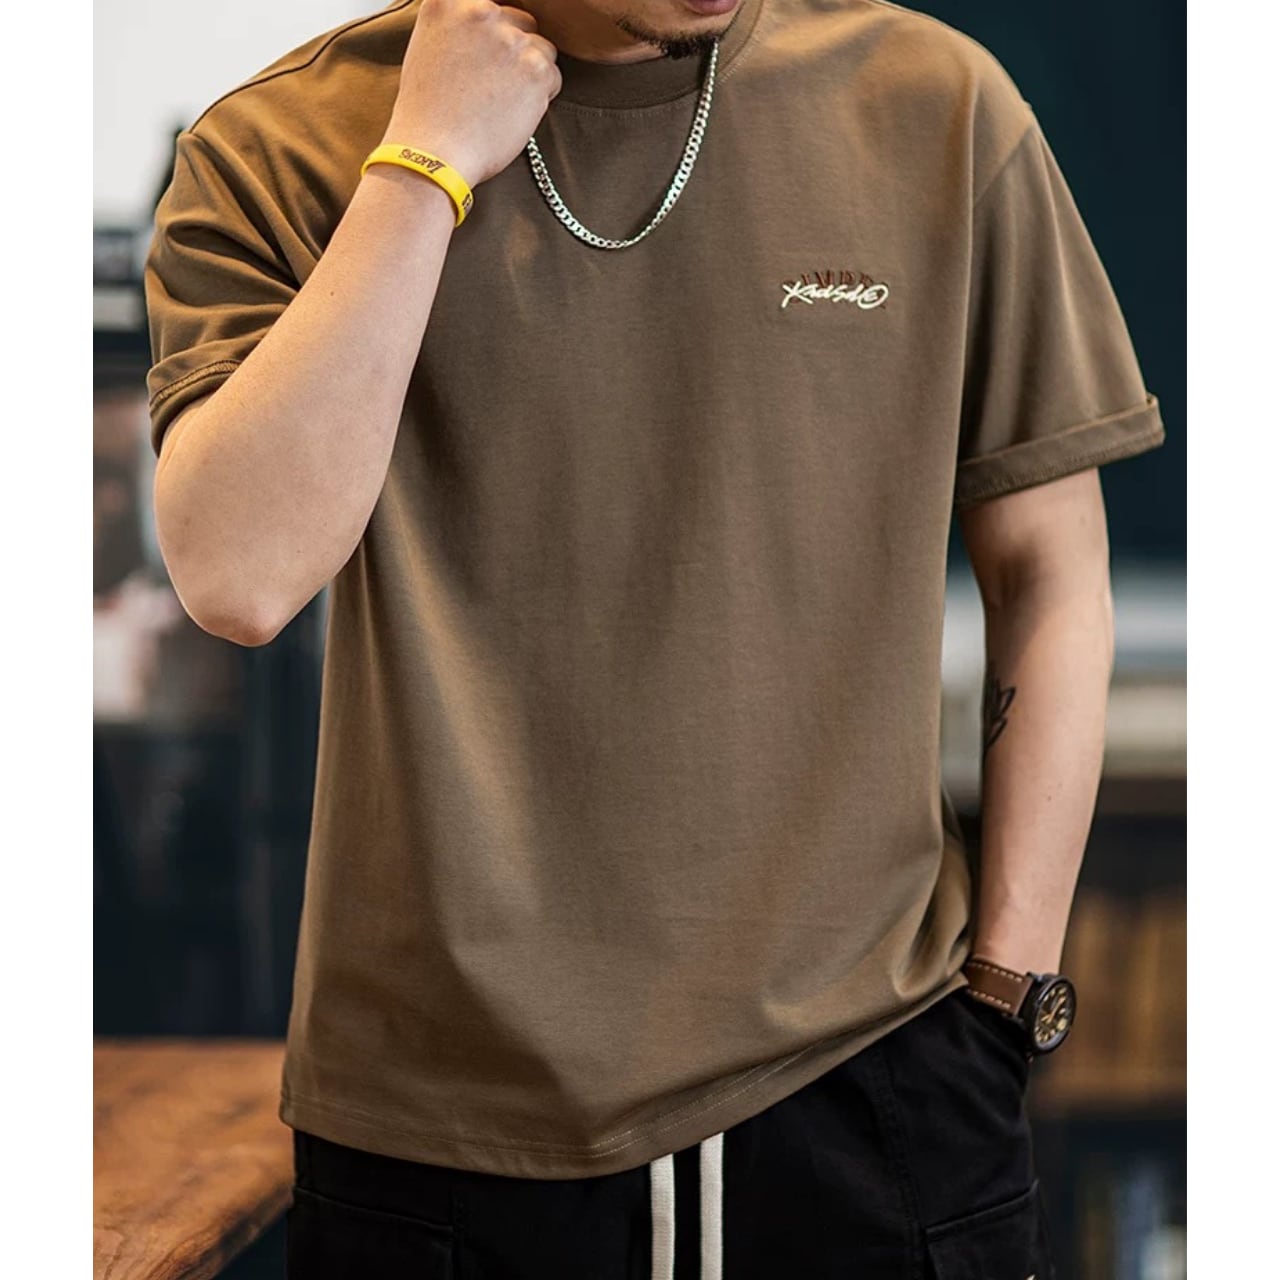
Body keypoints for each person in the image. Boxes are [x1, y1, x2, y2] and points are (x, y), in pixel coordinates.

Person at [143, 0, 1166, 1275]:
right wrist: (420, 166)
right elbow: (239, 577)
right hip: (436, 1121)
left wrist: (1006, 997)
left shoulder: (934, 106)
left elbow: (1050, 575)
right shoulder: (281, 145)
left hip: (874, 1084)